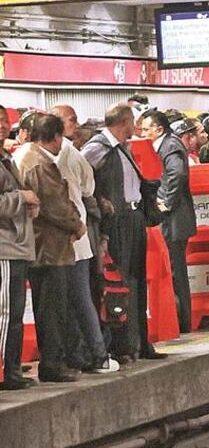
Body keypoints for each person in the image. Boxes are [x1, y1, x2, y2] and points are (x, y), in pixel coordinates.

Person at [82, 104, 164, 362]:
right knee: (119, 283)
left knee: (136, 281)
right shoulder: (97, 149)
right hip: (115, 222)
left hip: (133, 217)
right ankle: (122, 345)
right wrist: (100, 204)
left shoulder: (124, 149)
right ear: (124, 121)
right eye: (134, 122)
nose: (137, 127)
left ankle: (139, 342)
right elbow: (81, 181)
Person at [50, 105, 115, 372]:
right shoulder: (71, 155)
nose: (76, 124)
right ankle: (96, 354)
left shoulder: (61, 155)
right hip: (73, 239)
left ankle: (82, 354)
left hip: (67, 240)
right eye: (71, 119)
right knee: (81, 299)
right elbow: (88, 188)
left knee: (71, 301)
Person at [21, 113, 84, 382]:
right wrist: (76, 224)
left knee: (51, 308)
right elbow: (54, 205)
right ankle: (53, 365)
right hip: (49, 249)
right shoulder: (39, 164)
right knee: (52, 309)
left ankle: (54, 362)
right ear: (56, 137)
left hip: (45, 247)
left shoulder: (29, 158)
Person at [142, 111, 197, 333]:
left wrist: (164, 201)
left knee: (176, 271)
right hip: (175, 218)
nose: (143, 133)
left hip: (175, 218)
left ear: (159, 129)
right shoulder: (165, 145)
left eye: (146, 129)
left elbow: (177, 174)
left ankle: (183, 321)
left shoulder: (170, 145)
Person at [0, 129, 38, 389]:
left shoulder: (5, 158)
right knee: (5, 313)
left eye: (5, 121)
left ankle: (12, 370)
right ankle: (5, 371)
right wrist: (21, 197)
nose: (3, 126)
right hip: (5, 248)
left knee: (14, 314)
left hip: (17, 246)